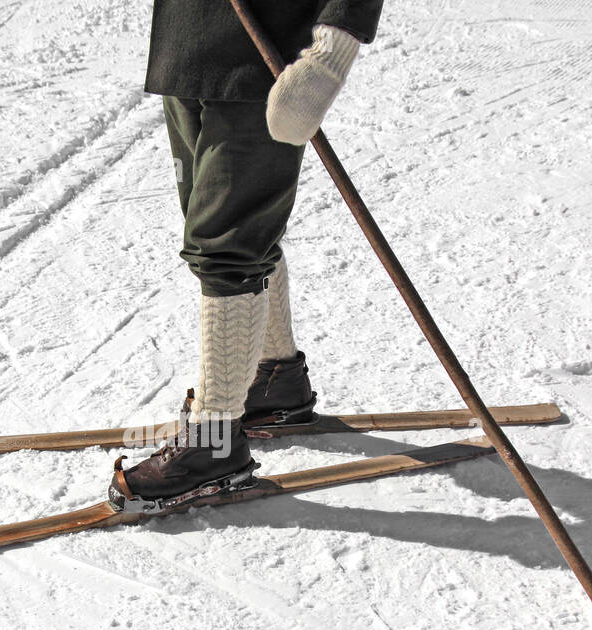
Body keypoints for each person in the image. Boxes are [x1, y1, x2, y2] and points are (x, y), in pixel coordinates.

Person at [110, 0, 385, 512]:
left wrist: (332, 52)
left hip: (268, 48)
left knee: (227, 247)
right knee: (232, 229)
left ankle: (216, 442)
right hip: (189, 42)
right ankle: (274, 381)